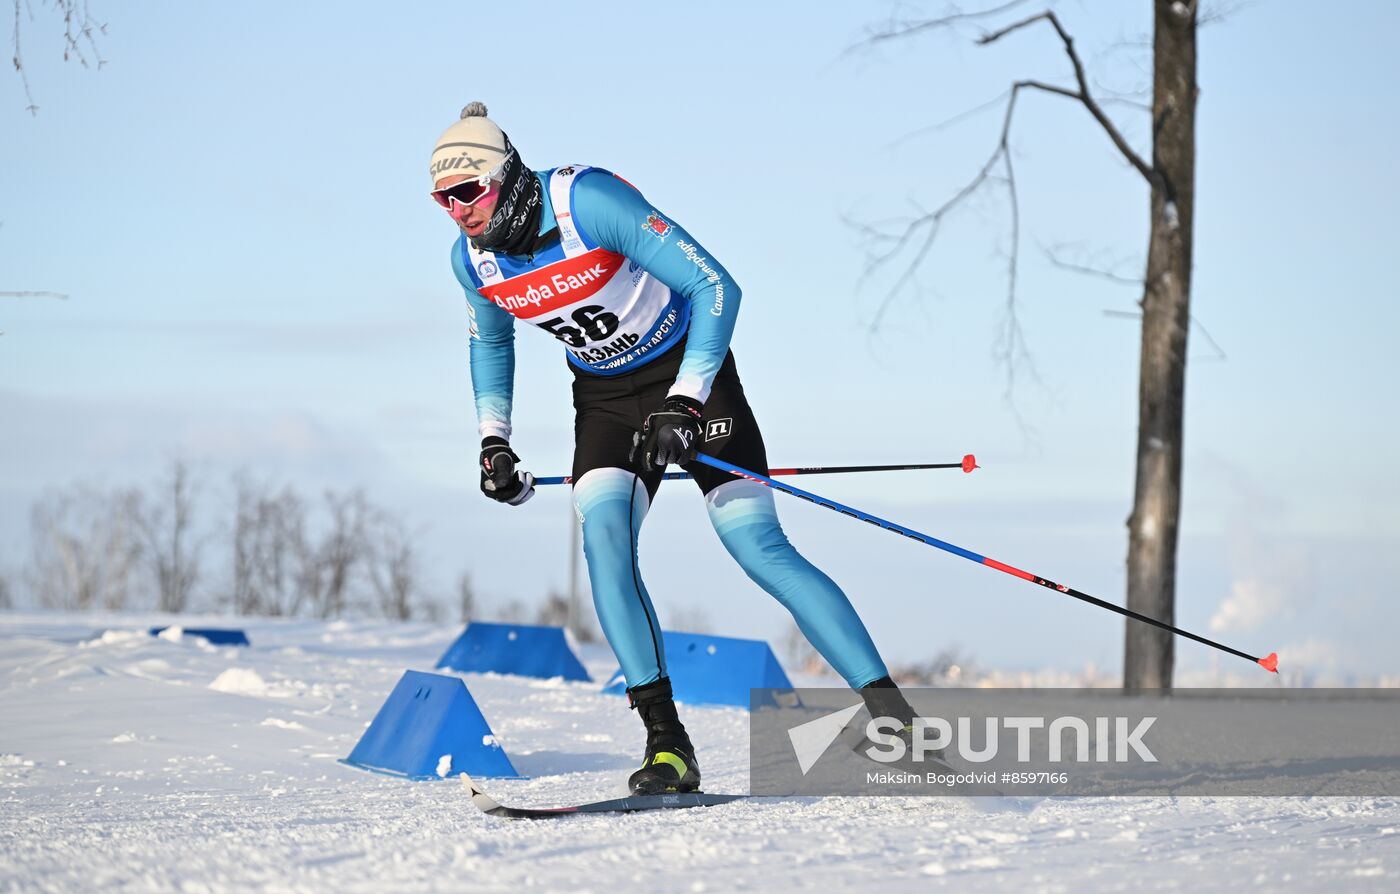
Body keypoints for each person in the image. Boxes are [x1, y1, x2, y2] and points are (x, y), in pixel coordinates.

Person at [431, 102, 921, 795]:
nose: (457, 210)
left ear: (505, 176)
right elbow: (491, 344)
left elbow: (717, 285)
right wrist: (494, 444)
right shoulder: (472, 260)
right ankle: (668, 745)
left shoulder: (587, 201)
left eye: (468, 191)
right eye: (442, 199)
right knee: (603, 540)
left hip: (695, 376)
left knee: (758, 548)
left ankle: (895, 721)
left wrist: (685, 402)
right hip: (605, 402)